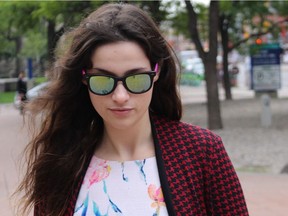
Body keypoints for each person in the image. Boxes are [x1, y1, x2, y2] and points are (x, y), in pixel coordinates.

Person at [17, 3, 249, 216]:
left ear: (156, 72)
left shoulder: (202, 152)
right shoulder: (60, 160)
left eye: (136, 79)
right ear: (84, 79)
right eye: (103, 80)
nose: (120, 96)